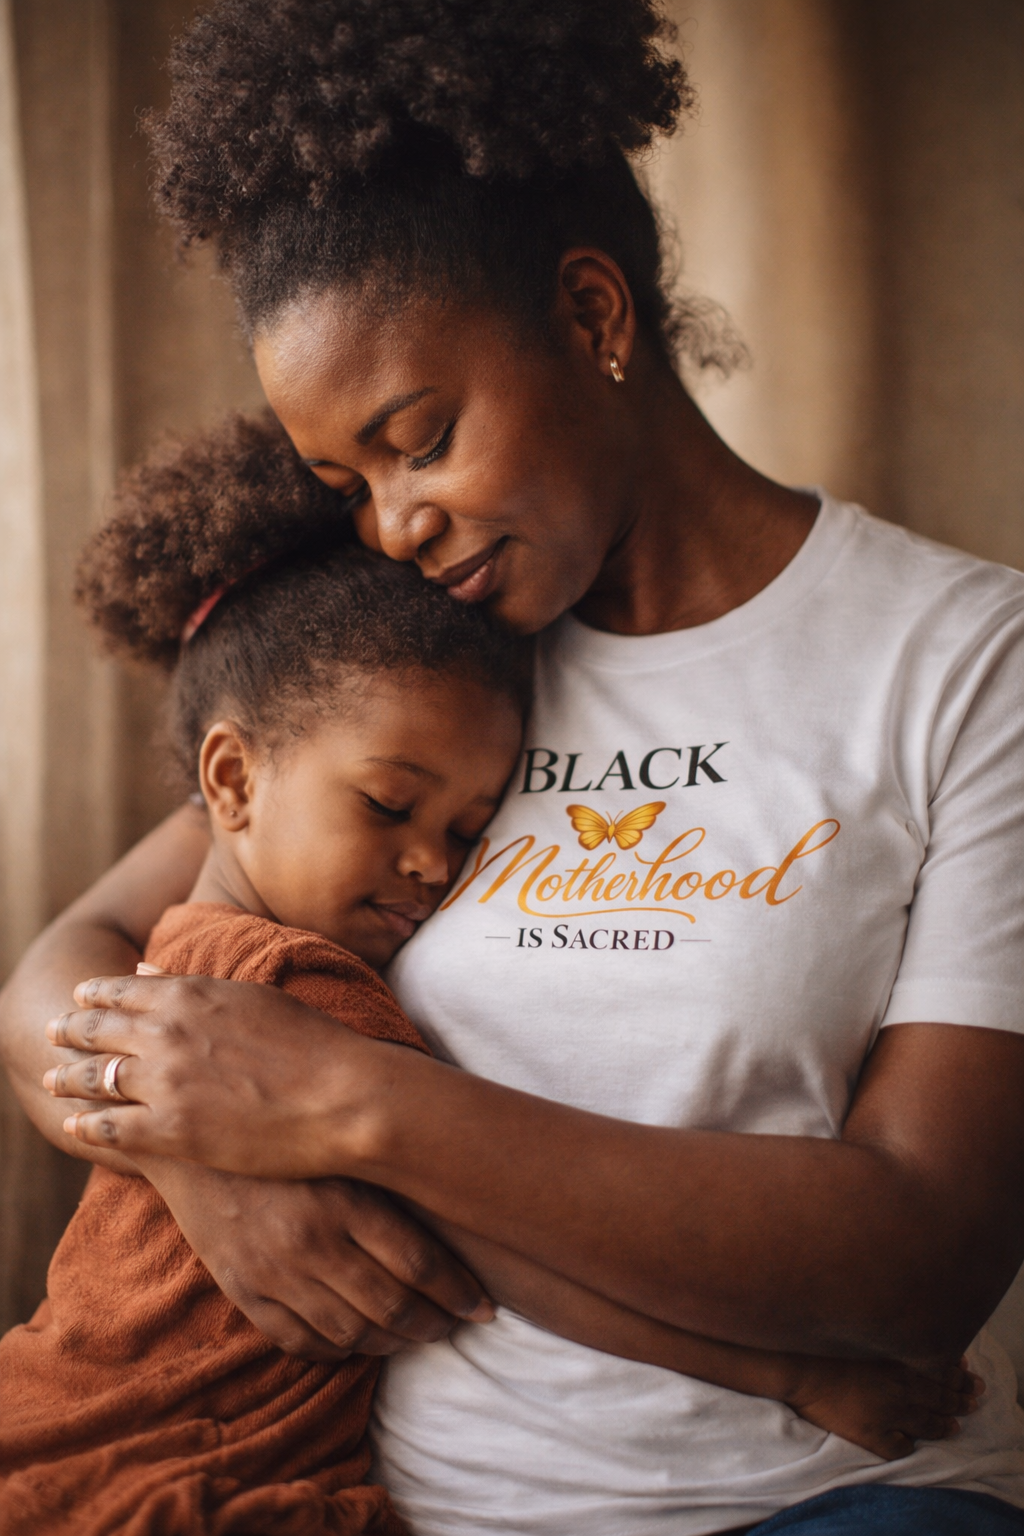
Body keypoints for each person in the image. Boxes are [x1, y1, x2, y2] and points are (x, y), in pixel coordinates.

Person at [3, 1, 1024, 1532]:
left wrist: (347, 1109)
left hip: (832, 1495)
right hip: (396, 1502)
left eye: (420, 440)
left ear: (595, 316)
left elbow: (918, 1258)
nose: (392, 524)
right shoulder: (435, 674)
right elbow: (57, 975)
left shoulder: (963, 660)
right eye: (347, 482)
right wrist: (214, 1170)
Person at [3, 416, 977, 1534]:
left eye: (474, 831)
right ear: (228, 780)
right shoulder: (301, 981)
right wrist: (789, 1377)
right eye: (390, 810)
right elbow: (485, 1250)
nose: (430, 863)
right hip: (189, 1477)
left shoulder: (340, 790)